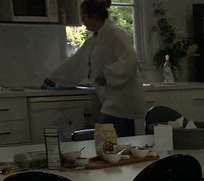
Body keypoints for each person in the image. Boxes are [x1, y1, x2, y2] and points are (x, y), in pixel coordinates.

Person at [43, 0, 144, 138]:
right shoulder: (97, 38)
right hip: (113, 102)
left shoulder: (114, 33)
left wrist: (107, 75)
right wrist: (54, 78)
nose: (83, 21)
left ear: (95, 16)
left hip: (124, 103)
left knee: (108, 141)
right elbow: (78, 60)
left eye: (84, 17)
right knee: (111, 142)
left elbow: (131, 59)